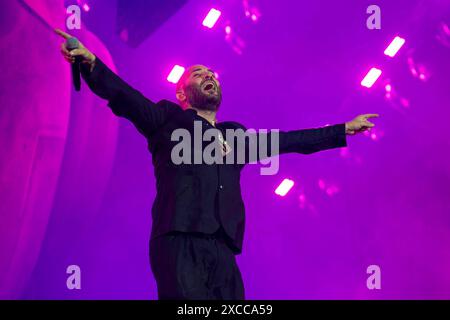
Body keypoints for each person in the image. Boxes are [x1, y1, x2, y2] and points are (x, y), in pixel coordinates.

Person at [55, 29, 379, 300]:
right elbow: (128, 98)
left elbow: (288, 141)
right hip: (180, 240)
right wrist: (91, 63)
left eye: (211, 73)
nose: (208, 75)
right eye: (198, 73)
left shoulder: (234, 137)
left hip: (224, 250)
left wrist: (343, 129)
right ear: (181, 91)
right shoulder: (168, 119)